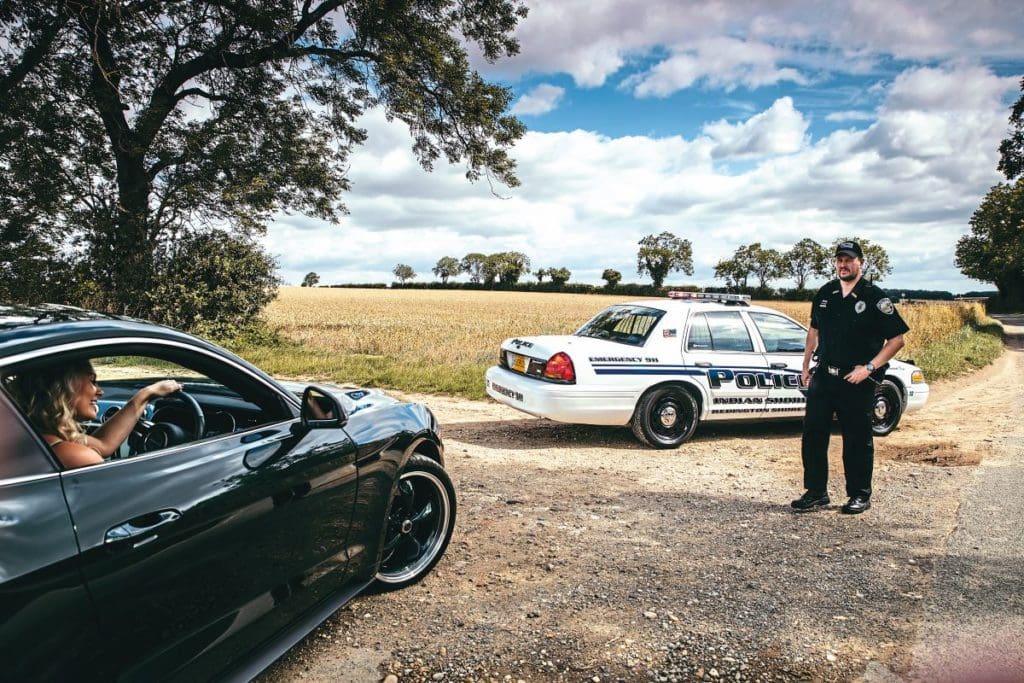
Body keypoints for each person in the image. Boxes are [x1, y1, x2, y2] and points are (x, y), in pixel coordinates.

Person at [791, 240, 909, 514]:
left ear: (860, 263)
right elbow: (813, 331)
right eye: (839, 260)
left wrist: (869, 367)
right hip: (824, 376)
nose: (843, 265)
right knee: (813, 434)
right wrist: (806, 365)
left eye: (849, 260)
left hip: (855, 380)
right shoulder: (825, 293)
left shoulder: (874, 297)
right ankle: (816, 492)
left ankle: (859, 494)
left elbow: (897, 340)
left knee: (856, 438)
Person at [6, 359, 184, 469]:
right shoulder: (73, 454)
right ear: (63, 388)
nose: (100, 392)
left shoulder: (35, 434)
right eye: (92, 382)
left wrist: (146, 395)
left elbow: (102, 445)